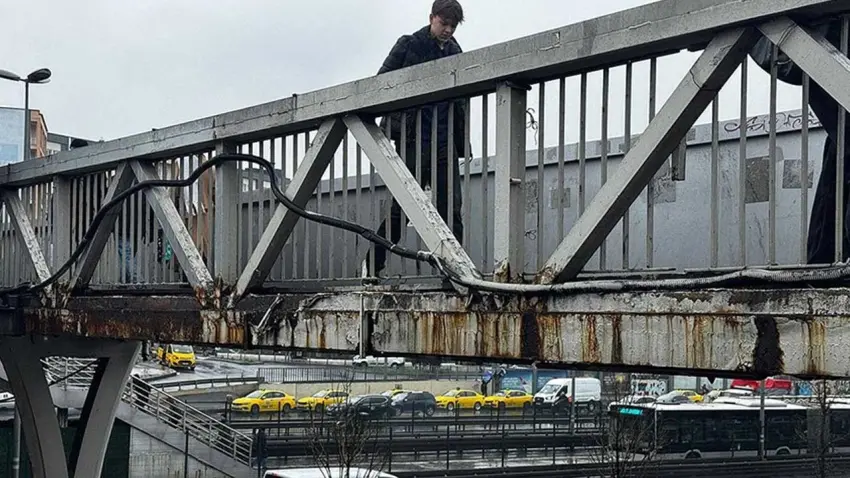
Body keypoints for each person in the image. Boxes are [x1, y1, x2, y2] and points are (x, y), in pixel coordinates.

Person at [361, 0, 471, 279]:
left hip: (445, 141)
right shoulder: (409, 44)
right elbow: (380, 85)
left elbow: (461, 103)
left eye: (452, 25)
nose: (448, 30)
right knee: (402, 210)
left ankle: (454, 272)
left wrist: (464, 141)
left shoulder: (457, 52)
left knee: (451, 210)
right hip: (412, 139)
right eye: (443, 23)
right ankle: (372, 266)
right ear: (431, 18)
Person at [749, 18, 849, 264]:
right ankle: (825, 264)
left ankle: (824, 264)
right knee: (842, 152)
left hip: (816, 41)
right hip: (817, 40)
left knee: (841, 153)